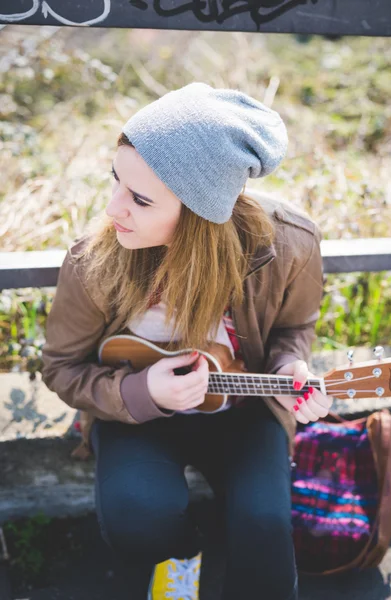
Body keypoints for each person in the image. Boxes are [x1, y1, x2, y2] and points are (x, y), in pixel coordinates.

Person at [41, 82, 333, 600]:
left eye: (140, 198)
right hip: (136, 417)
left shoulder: (289, 243)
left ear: (202, 209)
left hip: (243, 406)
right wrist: (142, 393)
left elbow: (294, 328)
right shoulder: (96, 261)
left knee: (265, 528)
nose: (113, 210)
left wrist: (291, 368)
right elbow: (62, 367)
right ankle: (182, 553)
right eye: (116, 181)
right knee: (135, 519)